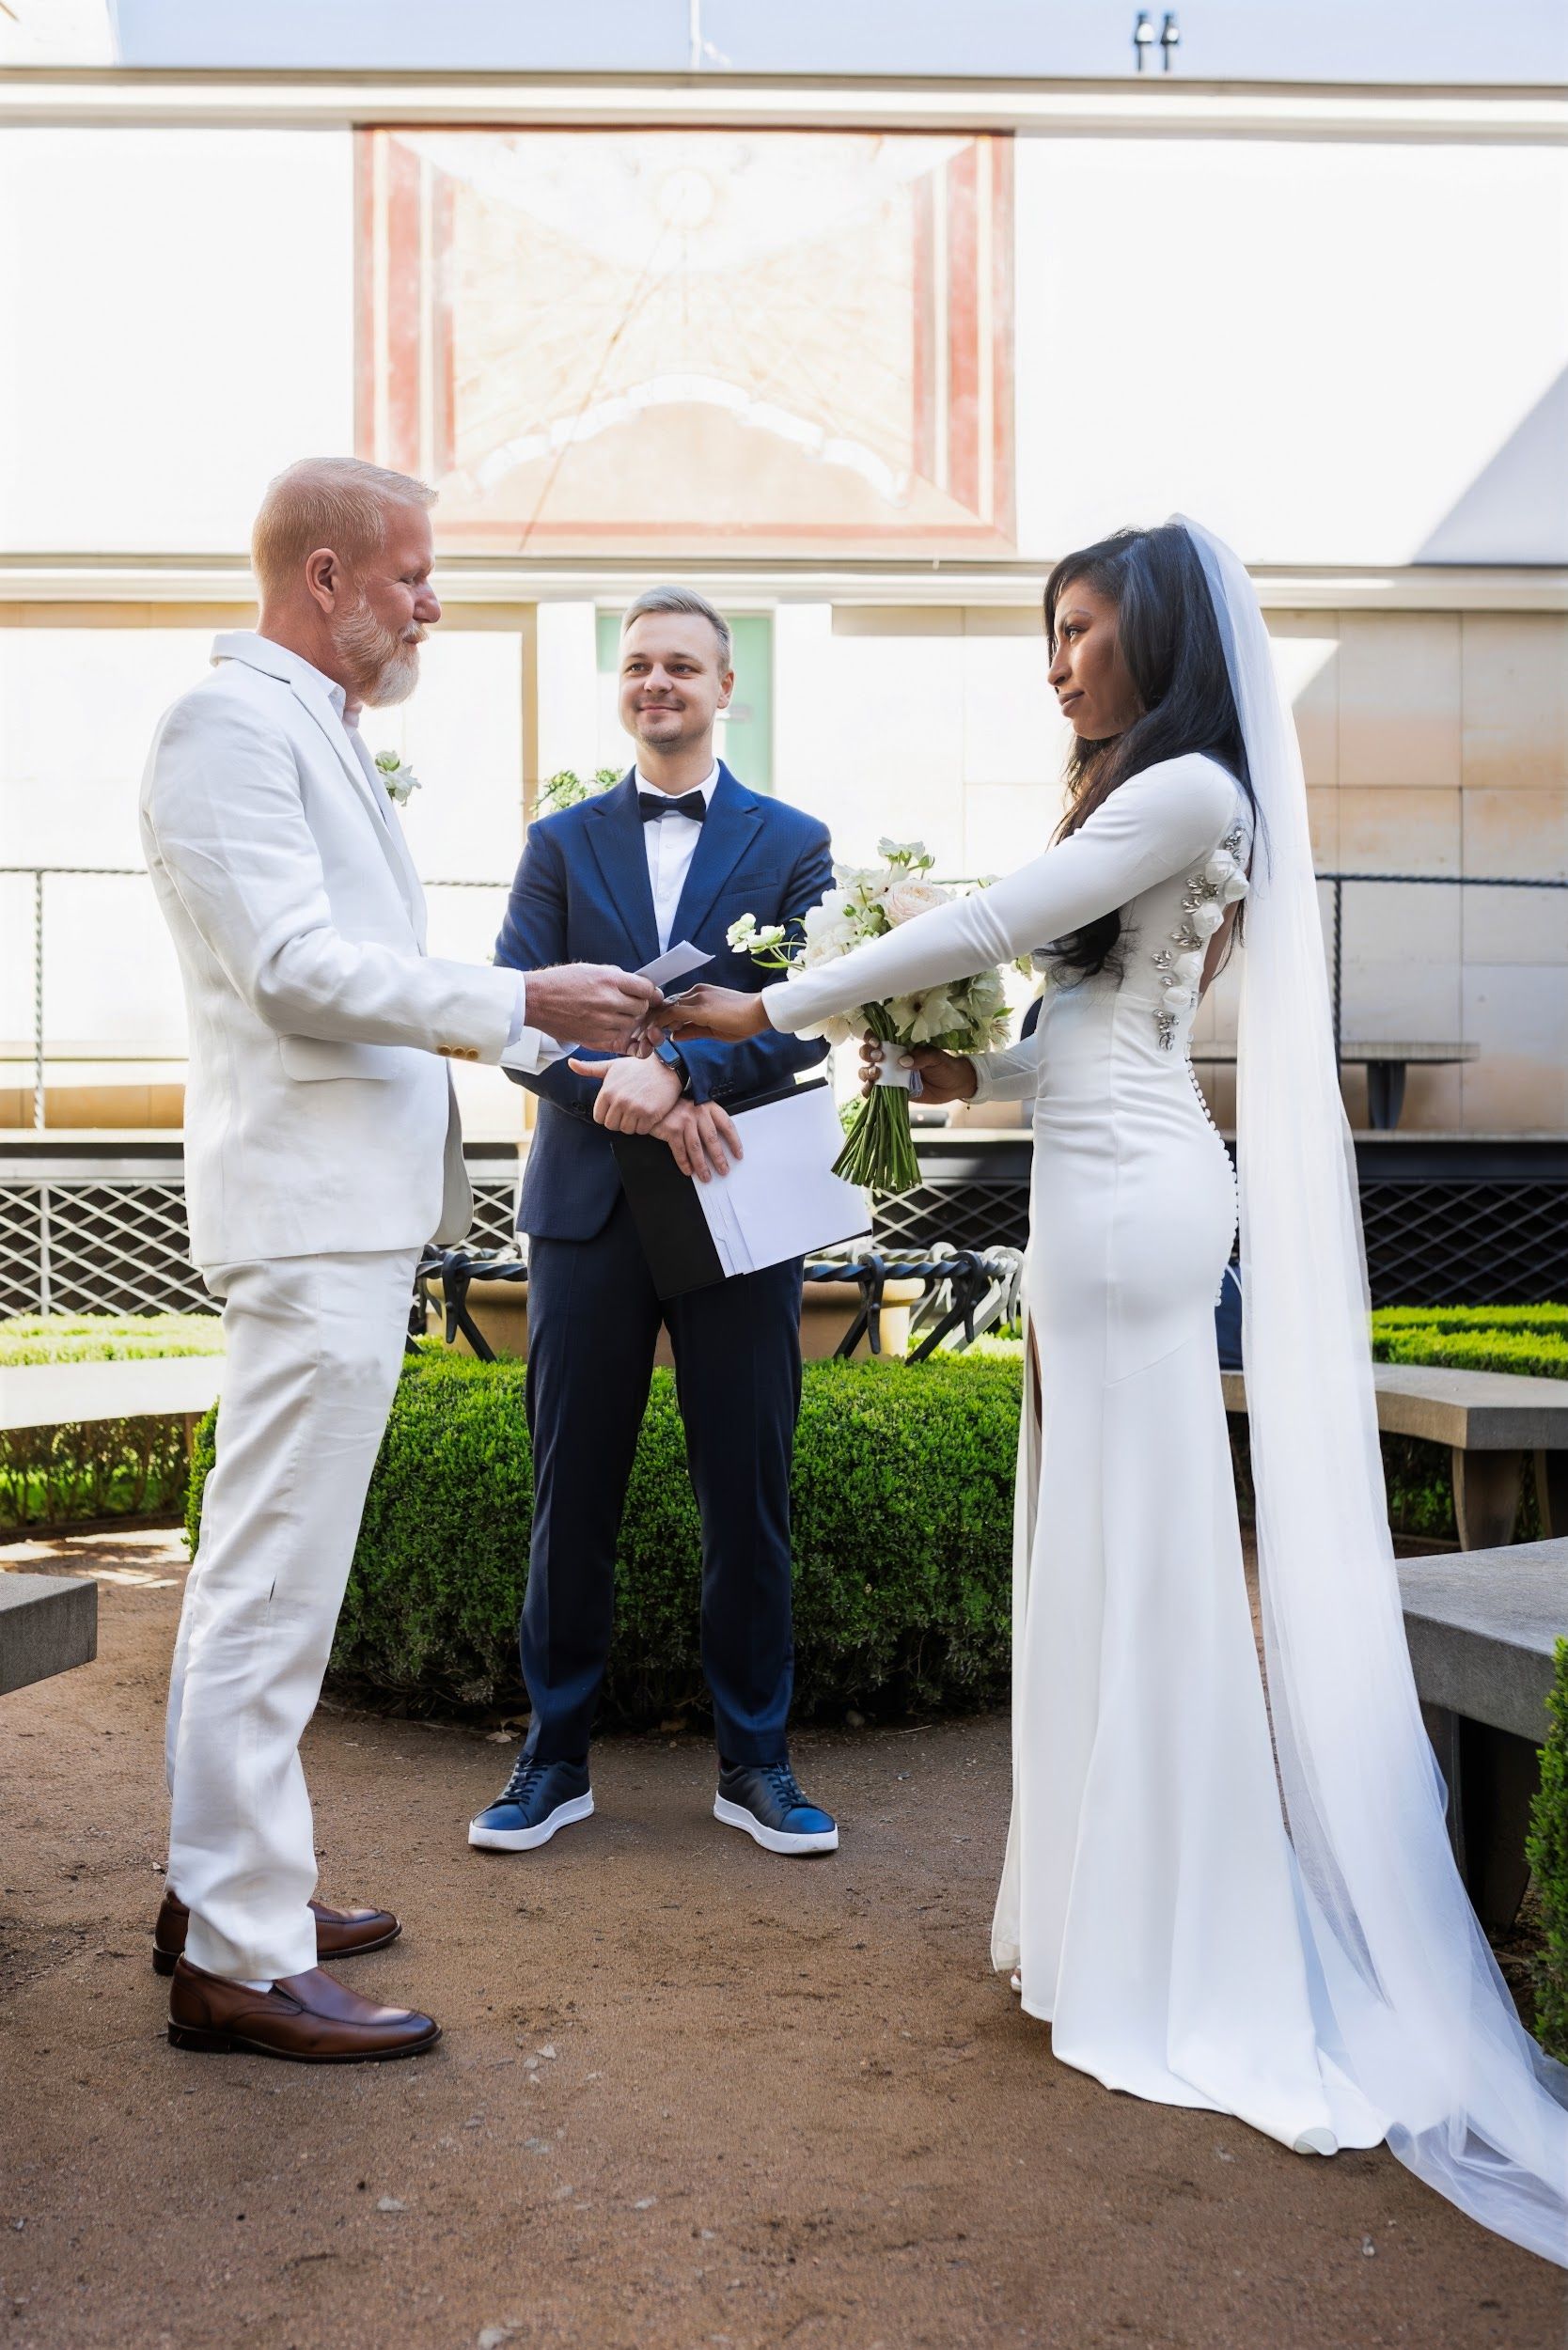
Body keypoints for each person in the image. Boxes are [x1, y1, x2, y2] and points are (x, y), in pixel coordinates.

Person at [665, 523, 1568, 2264]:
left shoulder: (1194, 789)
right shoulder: (1148, 800)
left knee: (1146, 1569)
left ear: (1157, 635)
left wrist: (764, 1005)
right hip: (1095, 1189)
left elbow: (999, 920)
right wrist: (963, 1070)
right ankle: (1112, 1924)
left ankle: (1182, 1941)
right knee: (1093, 1557)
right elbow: (1093, 1031)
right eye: (1051, 632)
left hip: (1138, 1212)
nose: (1057, 661)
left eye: (1079, 630)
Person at [141, 457, 660, 2062]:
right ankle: (237, 1955)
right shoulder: (227, 725)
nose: (433, 605)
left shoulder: (310, 727)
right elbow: (294, 969)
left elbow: (341, 963)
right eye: (412, 576)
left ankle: (225, 1893)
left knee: (271, 1577)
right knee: (271, 1586)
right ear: (325, 578)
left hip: (341, 1210)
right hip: (309, 1218)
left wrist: (540, 1026)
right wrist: (519, 1000)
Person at [468, 587, 841, 1859]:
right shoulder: (559, 844)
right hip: (586, 1208)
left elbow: (809, 1015)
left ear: (728, 687)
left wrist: (683, 1074)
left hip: (737, 1194)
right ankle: (552, 1759)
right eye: (637, 664)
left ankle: (757, 1763)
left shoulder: (794, 843)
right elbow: (513, 1020)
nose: (657, 683)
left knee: (748, 1492)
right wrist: (617, 1093)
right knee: (570, 1491)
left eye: (682, 664)